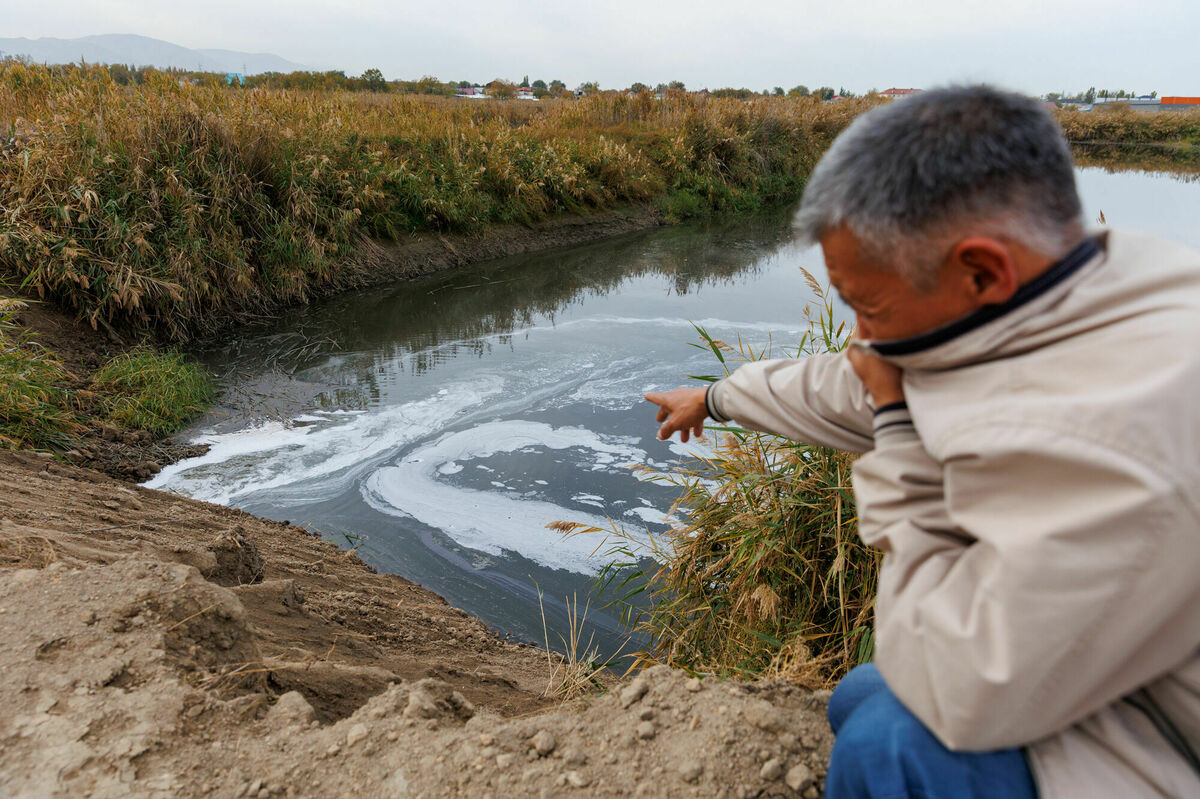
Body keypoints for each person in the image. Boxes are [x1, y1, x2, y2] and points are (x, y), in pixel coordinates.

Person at [645, 85, 1200, 799]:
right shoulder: (1078, 278)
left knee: (890, 749)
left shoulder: (1129, 449)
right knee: (860, 695)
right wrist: (716, 399)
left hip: (1170, 740)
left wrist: (897, 428)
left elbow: (954, 683)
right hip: (1127, 671)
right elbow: (849, 382)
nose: (859, 337)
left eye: (867, 307)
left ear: (981, 269)